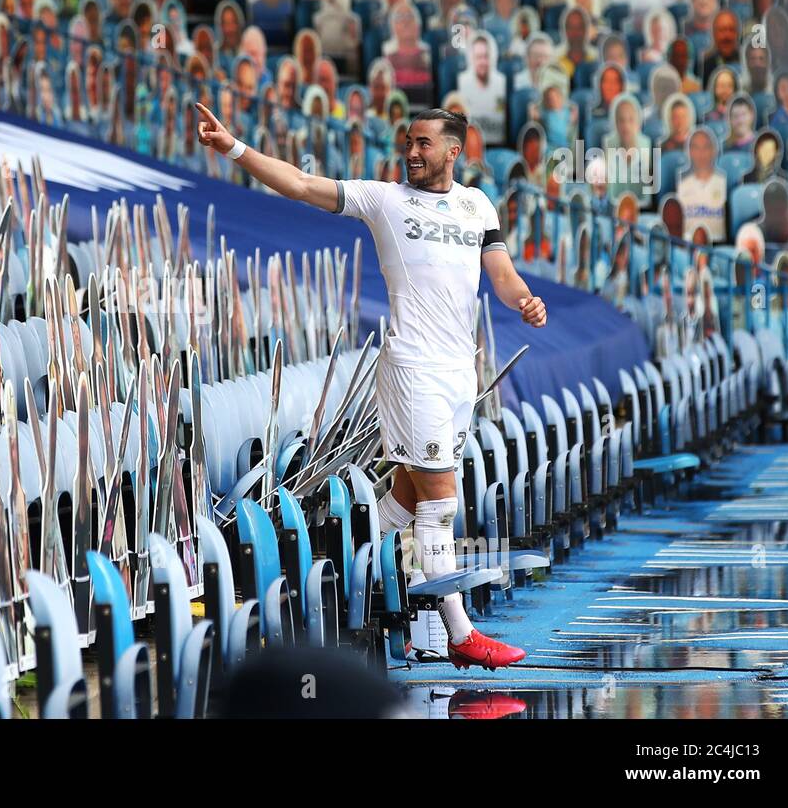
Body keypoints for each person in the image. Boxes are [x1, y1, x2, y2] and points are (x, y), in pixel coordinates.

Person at [192, 102, 545, 669]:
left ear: (455, 151)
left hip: (460, 372)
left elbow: (500, 276)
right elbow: (304, 184)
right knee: (440, 504)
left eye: (424, 144)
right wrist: (234, 148)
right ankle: (458, 633)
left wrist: (525, 300)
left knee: (405, 500)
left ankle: (328, 579)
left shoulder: (477, 204)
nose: (412, 151)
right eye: (409, 141)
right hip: (412, 370)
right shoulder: (385, 199)